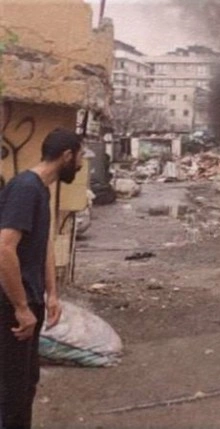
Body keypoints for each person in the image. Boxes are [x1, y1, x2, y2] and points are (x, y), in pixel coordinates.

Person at [0, 128, 84, 429]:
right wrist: (21, 307)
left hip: (30, 301)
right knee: (10, 393)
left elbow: (43, 242)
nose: (81, 164)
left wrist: (52, 293)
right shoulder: (26, 188)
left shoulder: (41, 189)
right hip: (10, 306)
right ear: (66, 155)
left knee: (25, 385)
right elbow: (4, 248)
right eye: (80, 156)